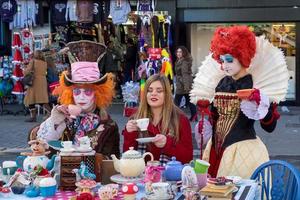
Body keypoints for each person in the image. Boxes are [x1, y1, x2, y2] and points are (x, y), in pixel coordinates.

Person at [190, 26, 289, 178]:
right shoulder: (220, 82)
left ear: (242, 56)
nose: (224, 65)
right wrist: (207, 121)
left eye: (229, 60)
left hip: (244, 150)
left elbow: (270, 127)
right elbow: (216, 117)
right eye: (222, 60)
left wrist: (261, 104)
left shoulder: (256, 85)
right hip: (215, 151)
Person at [29, 41, 120, 159]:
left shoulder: (108, 125)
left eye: (87, 92)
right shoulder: (64, 117)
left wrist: (81, 156)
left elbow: (112, 161)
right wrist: (54, 123)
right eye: (77, 91)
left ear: (98, 94)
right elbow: (36, 146)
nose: (81, 97)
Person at [123, 74, 193, 164]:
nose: (153, 93)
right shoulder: (135, 119)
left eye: (159, 91)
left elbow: (187, 157)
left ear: (167, 94)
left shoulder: (180, 120)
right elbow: (127, 157)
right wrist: (129, 134)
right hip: (140, 174)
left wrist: (167, 144)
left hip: (170, 176)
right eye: (150, 90)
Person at [23, 50, 51, 122]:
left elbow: (27, 71)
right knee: (41, 99)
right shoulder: (44, 62)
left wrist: (24, 69)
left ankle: (33, 117)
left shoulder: (33, 61)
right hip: (42, 81)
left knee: (30, 99)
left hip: (35, 81)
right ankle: (50, 112)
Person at [174, 46, 197, 122]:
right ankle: (194, 116)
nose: (178, 53)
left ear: (184, 53)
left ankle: (174, 117)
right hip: (183, 83)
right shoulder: (180, 60)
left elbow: (185, 74)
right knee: (190, 101)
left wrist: (186, 87)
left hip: (183, 85)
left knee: (176, 102)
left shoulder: (183, 62)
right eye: (177, 52)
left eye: (180, 52)